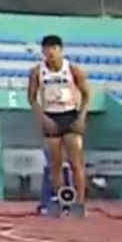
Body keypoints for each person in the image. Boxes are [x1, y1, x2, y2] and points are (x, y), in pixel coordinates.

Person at [30, 34, 92, 205]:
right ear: (43, 51)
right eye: (47, 49)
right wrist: (43, 118)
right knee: (55, 163)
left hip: (70, 115)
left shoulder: (73, 70)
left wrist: (82, 117)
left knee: (76, 162)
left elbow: (87, 95)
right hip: (51, 116)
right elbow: (32, 98)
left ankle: (80, 202)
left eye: (54, 48)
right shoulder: (37, 72)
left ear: (60, 50)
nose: (51, 52)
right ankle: (62, 200)